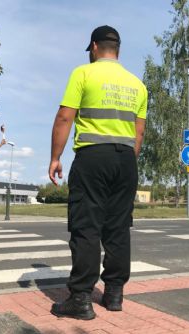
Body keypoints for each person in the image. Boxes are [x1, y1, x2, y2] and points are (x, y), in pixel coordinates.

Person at [49, 25, 148, 320]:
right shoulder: (137, 85)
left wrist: (55, 157)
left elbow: (65, 116)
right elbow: (138, 133)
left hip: (92, 156)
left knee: (86, 225)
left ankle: (80, 298)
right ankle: (114, 293)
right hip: (126, 160)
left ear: (94, 47)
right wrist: (126, 162)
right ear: (117, 49)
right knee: (117, 227)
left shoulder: (83, 73)